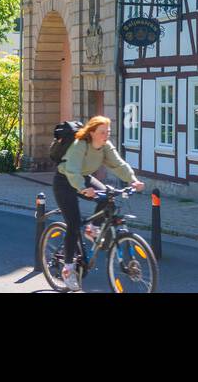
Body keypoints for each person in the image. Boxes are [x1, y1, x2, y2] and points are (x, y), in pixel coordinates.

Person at [53, 115, 144, 291]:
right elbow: (71, 170)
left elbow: (119, 165)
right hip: (64, 181)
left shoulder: (105, 146)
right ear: (92, 132)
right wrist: (81, 188)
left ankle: (92, 228)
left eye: (108, 132)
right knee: (73, 224)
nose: (106, 135)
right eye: (102, 132)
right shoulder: (80, 145)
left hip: (83, 178)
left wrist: (133, 180)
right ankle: (68, 269)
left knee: (108, 197)